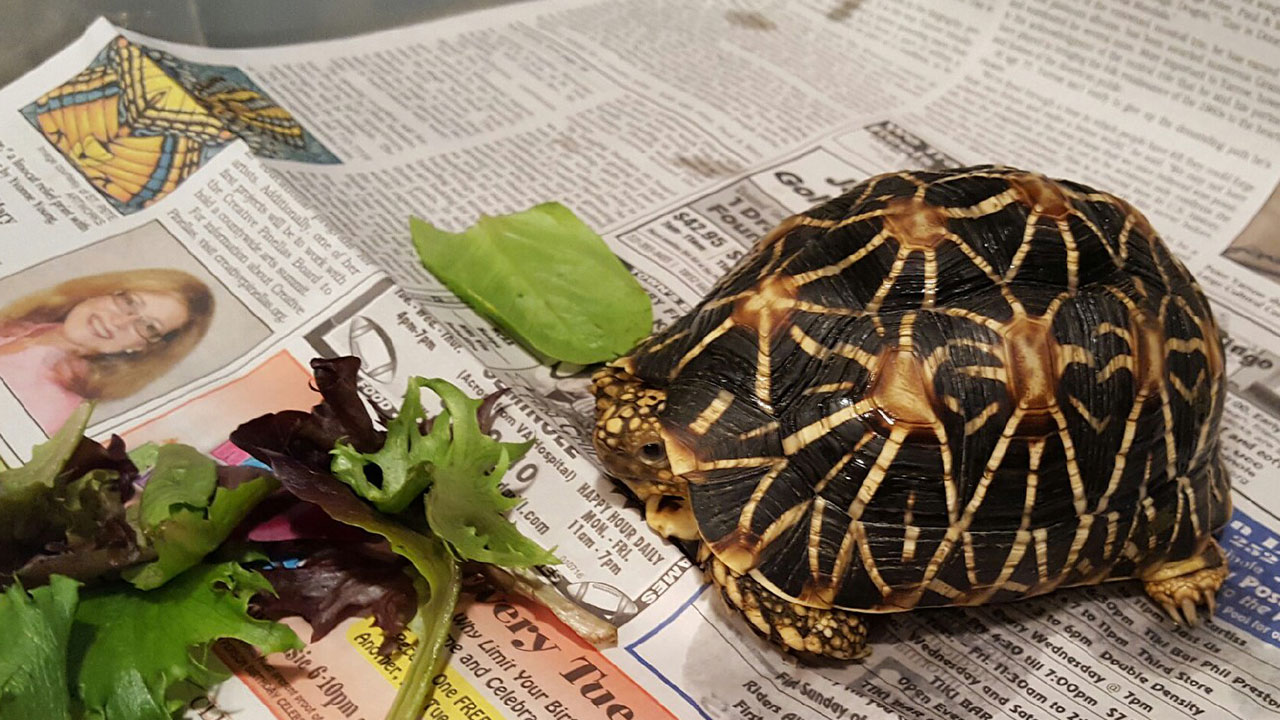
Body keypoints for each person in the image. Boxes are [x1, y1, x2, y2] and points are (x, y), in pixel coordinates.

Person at [0, 268, 214, 430]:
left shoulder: (51, 405)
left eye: (148, 327)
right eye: (129, 302)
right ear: (102, 292)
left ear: (141, 348)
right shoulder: (31, 324)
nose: (118, 322)